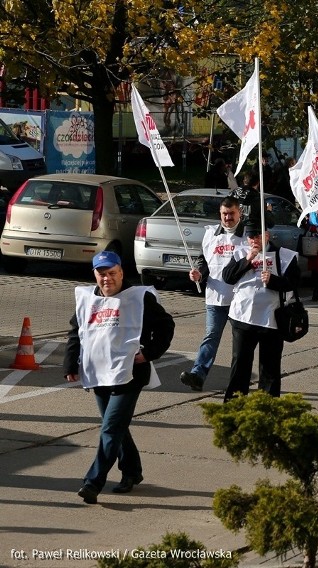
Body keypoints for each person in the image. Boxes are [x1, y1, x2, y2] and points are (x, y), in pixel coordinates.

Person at [64, 251, 175, 504]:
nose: (107, 279)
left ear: (122, 272)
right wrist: (70, 363)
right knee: (117, 427)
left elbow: (166, 325)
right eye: (102, 274)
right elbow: (75, 332)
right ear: (95, 274)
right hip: (99, 373)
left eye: (112, 273)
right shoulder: (86, 299)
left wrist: (150, 353)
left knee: (111, 427)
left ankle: (93, 482)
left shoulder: (139, 297)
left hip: (129, 374)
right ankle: (132, 472)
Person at [221, 222, 300, 401]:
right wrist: (247, 260)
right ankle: (233, 408)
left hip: (272, 319)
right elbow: (228, 277)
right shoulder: (241, 252)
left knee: (269, 369)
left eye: (258, 236)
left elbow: (293, 284)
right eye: (251, 237)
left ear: (267, 235)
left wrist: (273, 281)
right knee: (240, 365)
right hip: (243, 317)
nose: (254, 240)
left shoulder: (285, 256)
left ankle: (267, 410)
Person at [179, 196, 246, 391]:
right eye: (224, 214)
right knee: (210, 337)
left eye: (231, 214)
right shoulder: (210, 234)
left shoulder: (247, 234)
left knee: (240, 345)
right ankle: (197, 375)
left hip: (240, 299)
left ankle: (238, 383)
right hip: (215, 297)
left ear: (239, 213)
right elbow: (204, 262)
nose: (227, 218)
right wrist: (198, 274)